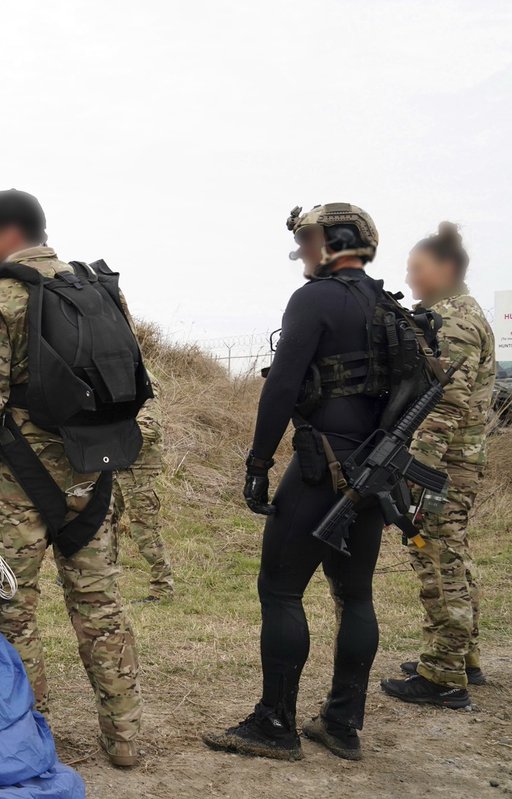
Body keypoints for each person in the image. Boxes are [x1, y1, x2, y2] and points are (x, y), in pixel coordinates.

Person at [0, 189, 145, 768]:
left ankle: (28, 730)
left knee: (10, 608)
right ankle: (124, 736)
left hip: (19, 485)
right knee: (100, 607)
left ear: (7, 233)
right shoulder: (97, 288)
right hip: (94, 477)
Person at [204, 203, 391, 762]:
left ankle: (275, 724)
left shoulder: (314, 299)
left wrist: (258, 463)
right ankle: (342, 724)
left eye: (308, 240)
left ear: (335, 239)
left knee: (280, 590)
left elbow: (282, 385)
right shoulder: (388, 306)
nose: (302, 253)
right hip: (378, 468)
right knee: (355, 594)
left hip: (321, 467)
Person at [381, 223, 495, 708]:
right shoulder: (458, 315)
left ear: (445, 270)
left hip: (444, 466)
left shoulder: (454, 322)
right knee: (454, 556)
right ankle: (460, 654)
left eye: (417, 270)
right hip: (456, 463)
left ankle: (443, 676)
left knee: (437, 559)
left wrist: (414, 468)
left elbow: (446, 403)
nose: (410, 279)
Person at [115, 396, 175, 602]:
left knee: (144, 529)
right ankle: (101, 579)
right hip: (113, 465)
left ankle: (162, 589)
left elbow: (150, 430)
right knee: (102, 523)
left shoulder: (141, 379)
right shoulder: (111, 374)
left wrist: (109, 440)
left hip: (138, 469)